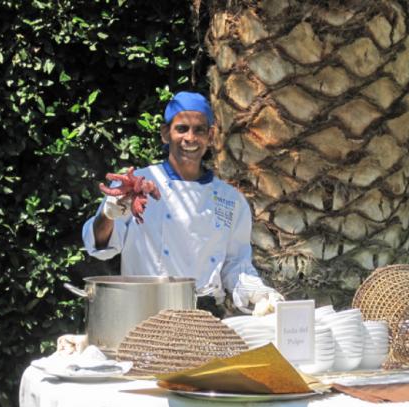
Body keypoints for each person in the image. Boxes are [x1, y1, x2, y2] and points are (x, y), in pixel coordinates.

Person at [82, 91, 282, 316]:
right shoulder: (136, 185)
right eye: (182, 129)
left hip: (205, 317)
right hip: (145, 314)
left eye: (199, 130)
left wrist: (259, 294)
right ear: (165, 134)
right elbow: (100, 247)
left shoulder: (231, 200)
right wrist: (109, 214)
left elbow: (235, 265)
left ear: (211, 136)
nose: (190, 138)